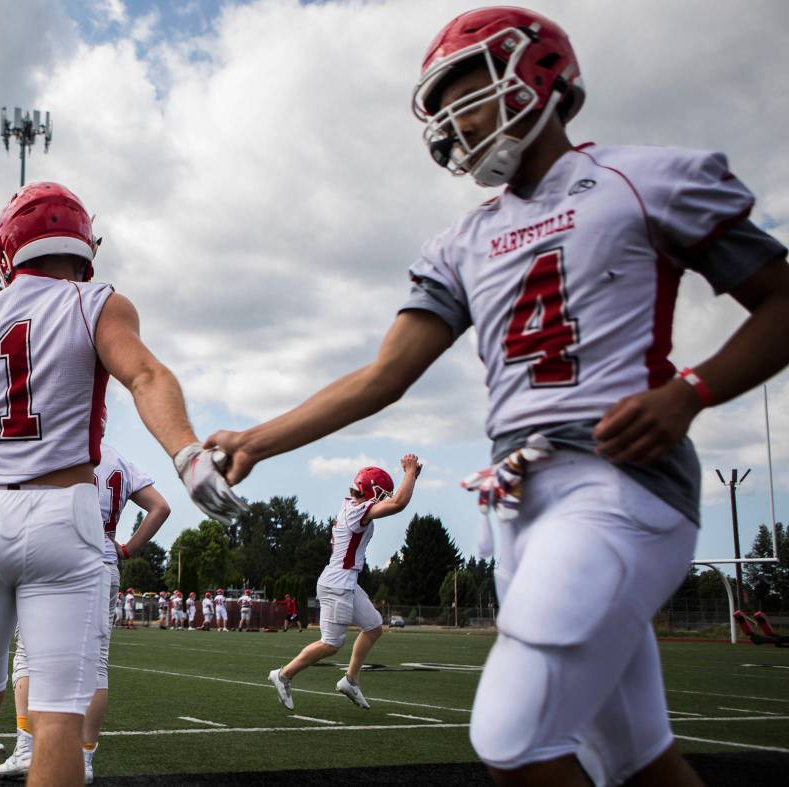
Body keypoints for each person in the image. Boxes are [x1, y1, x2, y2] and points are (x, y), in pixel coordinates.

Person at [205, 7, 789, 786]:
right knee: (636, 756)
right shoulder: (463, 240)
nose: (454, 119)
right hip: (518, 502)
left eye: (467, 92)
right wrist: (258, 439)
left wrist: (691, 392)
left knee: (513, 734)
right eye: (442, 105)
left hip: (622, 479)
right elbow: (384, 375)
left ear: (534, 73)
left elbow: (780, 298)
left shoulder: (642, 180)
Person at [0, 181, 245, 787]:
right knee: (58, 712)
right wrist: (186, 452)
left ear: (7, 250)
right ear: (84, 245)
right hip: (62, 515)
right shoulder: (98, 303)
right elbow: (144, 374)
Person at [1, 444, 170, 783]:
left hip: (55, 556)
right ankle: (84, 759)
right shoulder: (119, 459)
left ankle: (26, 749)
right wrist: (126, 548)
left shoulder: (51, 446)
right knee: (96, 663)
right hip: (103, 561)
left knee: (27, 654)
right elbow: (160, 508)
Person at [268, 458, 419, 711]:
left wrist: (411, 477)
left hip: (345, 580)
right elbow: (399, 503)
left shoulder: (352, 505)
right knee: (331, 644)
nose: (383, 498)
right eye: (380, 493)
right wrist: (411, 472)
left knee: (373, 626)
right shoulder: (357, 510)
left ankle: (350, 680)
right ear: (371, 491)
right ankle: (283, 674)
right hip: (338, 583)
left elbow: (394, 501)